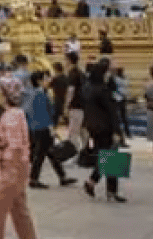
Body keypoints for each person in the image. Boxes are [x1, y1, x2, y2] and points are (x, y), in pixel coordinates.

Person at [0, 76, 38, 239]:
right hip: (19, 167)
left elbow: (15, 145)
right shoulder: (17, 113)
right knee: (19, 210)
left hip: (11, 168)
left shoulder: (12, 116)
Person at [81, 60, 126, 202]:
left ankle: (96, 184)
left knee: (105, 156)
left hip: (93, 126)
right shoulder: (103, 90)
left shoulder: (87, 87)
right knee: (111, 156)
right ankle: (106, 188)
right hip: (106, 126)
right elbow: (112, 112)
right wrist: (117, 131)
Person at [23, 71, 72, 189]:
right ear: (39, 81)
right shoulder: (40, 94)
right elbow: (44, 113)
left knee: (50, 152)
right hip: (43, 127)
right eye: (45, 78)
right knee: (40, 154)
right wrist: (51, 127)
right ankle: (34, 178)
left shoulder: (29, 93)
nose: (48, 80)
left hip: (34, 126)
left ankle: (62, 176)